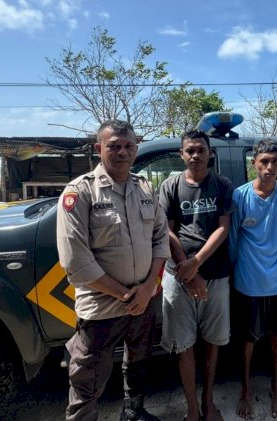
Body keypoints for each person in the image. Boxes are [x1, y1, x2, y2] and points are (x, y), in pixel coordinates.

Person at [56, 120, 169, 421]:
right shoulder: (80, 192)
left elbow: (161, 238)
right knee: (88, 375)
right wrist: (125, 295)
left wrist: (146, 289)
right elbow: (75, 261)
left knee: (138, 362)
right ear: (98, 149)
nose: (122, 152)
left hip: (143, 301)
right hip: (103, 305)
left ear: (136, 149)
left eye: (128, 146)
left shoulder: (144, 187)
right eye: (114, 146)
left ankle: (133, 413)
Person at [159, 130, 234, 421]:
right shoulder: (170, 186)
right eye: (189, 150)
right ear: (181, 154)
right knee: (184, 344)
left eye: (201, 150)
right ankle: (192, 407)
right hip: (178, 277)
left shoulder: (223, 185)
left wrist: (197, 263)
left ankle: (208, 400)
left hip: (216, 276)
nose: (195, 155)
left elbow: (223, 227)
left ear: (210, 153)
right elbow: (166, 230)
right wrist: (188, 271)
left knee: (214, 341)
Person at [229, 140, 277, 419]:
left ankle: (276, 387)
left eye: (275, 162)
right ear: (254, 163)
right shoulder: (240, 196)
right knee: (247, 340)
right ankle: (245, 390)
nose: (270, 167)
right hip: (248, 282)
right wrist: (233, 274)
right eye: (264, 161)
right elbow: (233, 239)